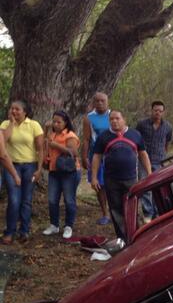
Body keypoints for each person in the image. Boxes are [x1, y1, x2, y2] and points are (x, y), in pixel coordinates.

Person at [91, 110, 152, 241]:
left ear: (124, 119)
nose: (114, 121)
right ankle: (122, 238)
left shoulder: (135, 134)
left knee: (131, 208)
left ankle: (136, 236)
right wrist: (94, 177)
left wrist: (149, 173)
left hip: (131, 179)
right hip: (111, 180)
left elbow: (143, 154)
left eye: (117, 118)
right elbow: (96, 157)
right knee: (116, 209)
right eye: (111, 119)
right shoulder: (104, 136)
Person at [0, 100, 44, 244]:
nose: (14, 111)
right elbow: (3, 142)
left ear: (25, 111)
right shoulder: (5, 125)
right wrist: (12, 124)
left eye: (17, 109)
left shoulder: (34, 125)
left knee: (26, 199)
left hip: (29, 167)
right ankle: (9, 232)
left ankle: (24, 231)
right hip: (11, 166)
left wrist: (39, 169)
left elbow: (40, 149)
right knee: (14, 200)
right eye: (12, 109)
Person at [42, 111, 81, 239]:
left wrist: (56, 146)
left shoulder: (70, 135)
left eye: (59, 122)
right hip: (54, 171)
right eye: (54, 121)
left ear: (65, 122)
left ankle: (68, 226)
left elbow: (73, 152)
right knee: (52, 200)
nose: (56, 124)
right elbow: (44, 143)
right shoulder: (51, 134)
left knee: (69, 200)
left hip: (68, 172)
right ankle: (54, 225)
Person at [136, 100, 173, 222]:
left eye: (160, 111)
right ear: (151, 110)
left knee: (158, 186)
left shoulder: (167, 127)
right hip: (143, 159)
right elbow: (136, 139)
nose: (157, 113)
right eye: (155, 110)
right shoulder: (142, 124)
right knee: (145, 186)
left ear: (163, 112)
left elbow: (167, 142)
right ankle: (148, 212)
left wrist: (163, 154)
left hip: (159, 160)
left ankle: (157, 212)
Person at [82, 92, 111, 225]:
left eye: (102, 101)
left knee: (114, 184)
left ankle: (117, 211)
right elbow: (86, 139)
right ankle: (105, 213)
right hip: (96, 156)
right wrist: (84, 156)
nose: (100, 103)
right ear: (93, 103)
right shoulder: (89, 118)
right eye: (97, 101)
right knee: (99, 185)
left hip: (112, 155)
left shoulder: (113, 116)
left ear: (107, 102)